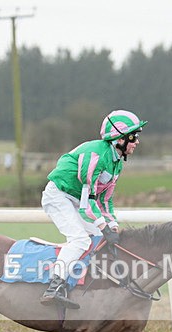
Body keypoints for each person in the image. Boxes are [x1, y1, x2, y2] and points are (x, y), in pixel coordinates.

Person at [40, 109, 147, 309]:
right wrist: (103, 225)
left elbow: (106, 200)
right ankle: (54, 287)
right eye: (133, 137)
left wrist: (112, 225)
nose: (137, 142)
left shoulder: (116, 163)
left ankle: (90, 286)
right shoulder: (96, 155)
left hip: (77, 198)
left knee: (99, 238)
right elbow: (87, 203)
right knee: (80, 240)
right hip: (59, 196)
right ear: (119, 139)